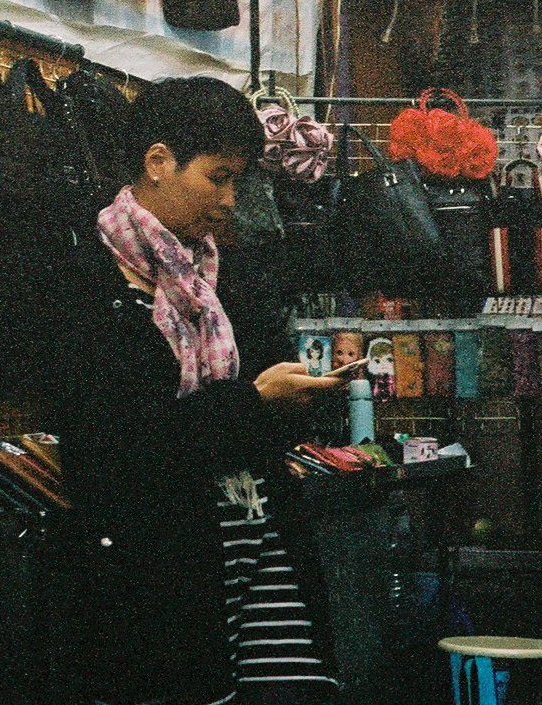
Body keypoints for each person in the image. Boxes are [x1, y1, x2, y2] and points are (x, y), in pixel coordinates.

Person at [55, 77, 345, 705]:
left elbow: (259, 400)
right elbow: (119, 449)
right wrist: (255, 402)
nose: (230, 199)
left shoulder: (218, 275)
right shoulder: (85, 278)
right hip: (168, 572)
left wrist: (293, 397)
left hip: (260, 539)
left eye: (236, 181)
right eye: (218, 178)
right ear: (158, 163)